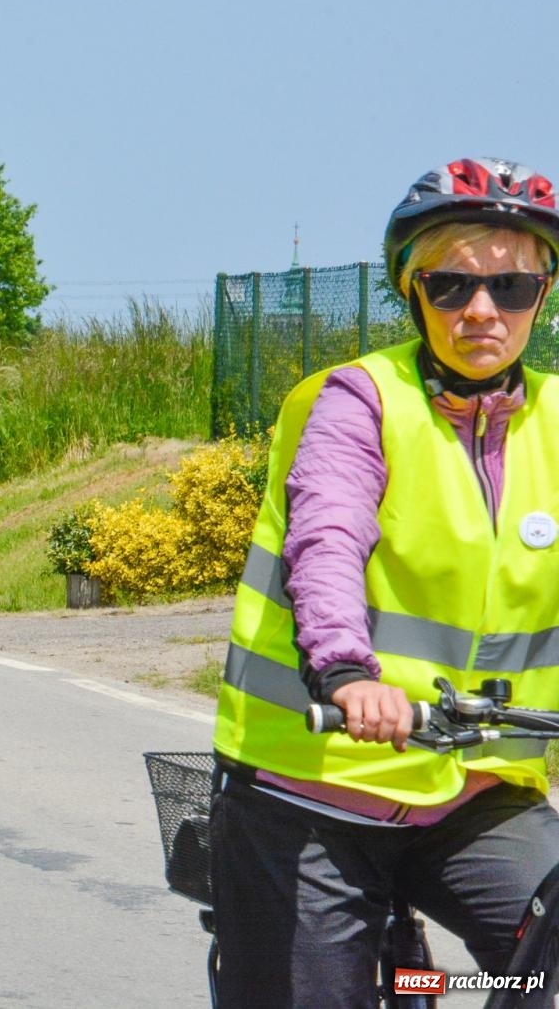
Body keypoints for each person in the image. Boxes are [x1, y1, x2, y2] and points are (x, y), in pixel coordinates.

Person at [212, 157, 559, 1006]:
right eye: (453, 286)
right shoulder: (356, 401)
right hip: (316, 789)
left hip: (475, 796)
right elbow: (327, 536)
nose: (484, 311)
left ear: (542, 297)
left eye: (513, 288)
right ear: (413, 290)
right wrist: (347, 671)